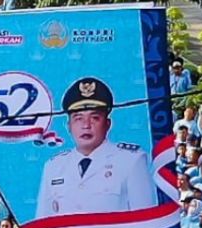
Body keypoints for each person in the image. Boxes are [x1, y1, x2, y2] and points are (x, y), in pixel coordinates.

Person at [34, 77, 156, 219]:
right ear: (69, 126)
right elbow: (42, 223)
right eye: (78, 118)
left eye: (94, 118)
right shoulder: (53, 166)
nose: (86, 125)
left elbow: (146, 220)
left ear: (108, 124)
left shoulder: (131, 160)